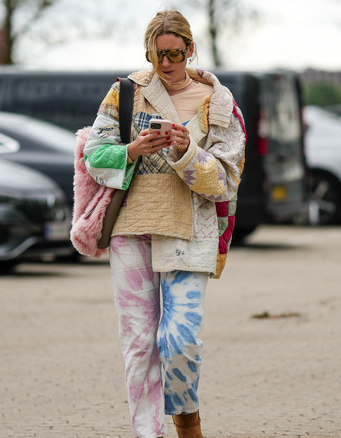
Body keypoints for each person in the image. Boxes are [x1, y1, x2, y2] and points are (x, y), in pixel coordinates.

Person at [83, 9, 246, 438]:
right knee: (138, 345)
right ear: (149, 55)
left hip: (190, 232)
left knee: (179, 341)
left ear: (191, 50)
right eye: (159, 56)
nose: (168, 64)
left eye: (176, 53)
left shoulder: (221, 103)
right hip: (130, 231)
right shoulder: (124, 93)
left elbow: (226, 182)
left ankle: (187, 422)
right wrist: (133, 149)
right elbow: (93, 155)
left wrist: (186, 150)